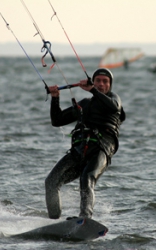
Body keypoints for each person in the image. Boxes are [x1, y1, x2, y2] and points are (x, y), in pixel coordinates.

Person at [45, 68, 126, 219]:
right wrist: (55, 98)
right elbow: (57, 120)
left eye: (105, 81)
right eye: (98, 81)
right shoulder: (85, 104)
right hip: (79, 151)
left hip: (101, 150)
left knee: (87, 178)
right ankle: (54, 220)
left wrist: (94, 90)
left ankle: (85, 218)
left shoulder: (115, 100)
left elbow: (114, 107)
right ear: (93, 82)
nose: (101, 84)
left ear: (110, 85)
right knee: (51, 181)